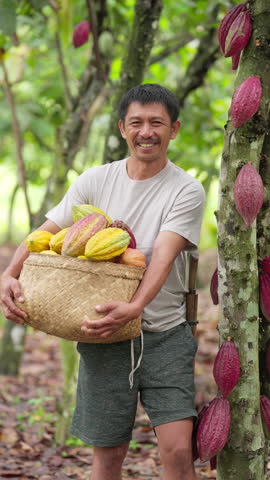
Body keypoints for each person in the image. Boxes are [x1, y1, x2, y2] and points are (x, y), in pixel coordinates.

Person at [0, 83, 205, 480]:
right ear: (122, 128)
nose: (146, 131)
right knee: (107, 458)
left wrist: (135, 307)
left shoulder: (186, 190)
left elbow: (162, 255)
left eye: (156, 123)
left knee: (178, 451)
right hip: (103, 335)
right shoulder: (96, 181)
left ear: (174, 129)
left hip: (165, 334)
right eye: (137, 122)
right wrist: (9, 273)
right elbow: (46, 231)